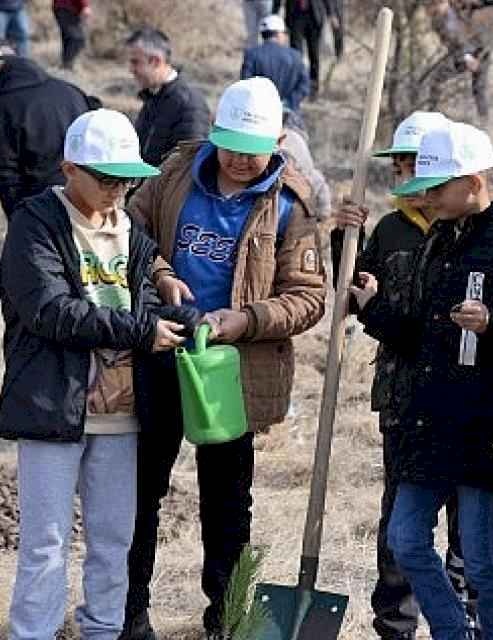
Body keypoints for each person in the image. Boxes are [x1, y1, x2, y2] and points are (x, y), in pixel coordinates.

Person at [121, 77, 327, 640]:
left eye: (250, 148)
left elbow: (309, 297)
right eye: (229, 144)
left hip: (231, 369)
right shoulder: (174, 172)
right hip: (161, 348)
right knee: (140, 491)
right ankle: (130, 613)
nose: (237, 158)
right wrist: (159, 273)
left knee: (227, 500)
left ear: (276, 143)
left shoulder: (292, 203)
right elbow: (131, 232)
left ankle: (227, 616)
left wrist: (247, 320)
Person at [0, 108, 195, 640]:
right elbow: (50, 311)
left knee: (114, 539)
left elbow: (145, 300)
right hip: (54, 405)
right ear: (69, 170)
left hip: (124, 414)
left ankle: (103, 632)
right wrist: (140, 331)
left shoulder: (131, 230)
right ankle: (33, 633)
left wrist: (174, 307)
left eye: (126, 180)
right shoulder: (35, 224)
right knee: (46, 541)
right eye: (106, 179)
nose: (117, 190)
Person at [350, 121, 493, 640]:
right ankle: (453, 633)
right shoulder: (438, 240)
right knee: (407, 537)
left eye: (438, 188)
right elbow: (419, 330)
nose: (428, 198)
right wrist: (372, 310)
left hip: (486, 424)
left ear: (474, 183)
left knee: (481, 554)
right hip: (428, 419)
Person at [329, 111, 483, 639]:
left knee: (468, 519)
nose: (410, 179)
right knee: (401, 519)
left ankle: (465, 616)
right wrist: (343, 242)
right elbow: (353, 294)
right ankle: (395, 625)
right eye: (400, 168)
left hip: (462, 398)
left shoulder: (469, 232)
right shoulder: (390, 229)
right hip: (401, 396)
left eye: (419, 167)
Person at [0, 36, 97, 219]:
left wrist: (20, 222)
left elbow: (5, 176)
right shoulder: (70, 90)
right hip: (91, 206)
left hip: (43, 215)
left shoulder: (1, 109)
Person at [127, 28, 212, 168]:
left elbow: (187, 165)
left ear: (155, 61)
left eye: (135, 62)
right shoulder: (153, 97)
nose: (131, 69)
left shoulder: (189, 104)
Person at [428, 0, 492, 124]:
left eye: (441, 2)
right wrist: (466, 58)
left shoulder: (460, 8)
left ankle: (484, 120)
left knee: (479, 88)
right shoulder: (437, 22)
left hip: (480, 51)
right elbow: (452, 44)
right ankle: (432, 112)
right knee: (436, 78)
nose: (440, 6)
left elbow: (482, 4)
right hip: (461, 56)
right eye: (436, 4)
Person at [241, 15, 313, 119]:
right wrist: (287, 103)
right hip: (288, 116)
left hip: (258, 116)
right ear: (279, 34)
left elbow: (245, 85)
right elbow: (304, 86)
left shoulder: (251, 54)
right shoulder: (296, 56)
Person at [283, 0, 342, 99]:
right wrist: (275, 12)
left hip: (314, 15)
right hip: (295, 14)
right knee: (296, 55)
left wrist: (331, 13)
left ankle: (314, 87)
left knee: (314, 54)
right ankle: (297, 87)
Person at [53, 0, 91, 70]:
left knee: (69, 39)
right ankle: (66, 66)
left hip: (63, 7)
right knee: (77, 39)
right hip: (67, 7)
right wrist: (85, 5)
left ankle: (66, 66)